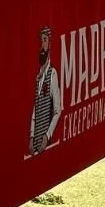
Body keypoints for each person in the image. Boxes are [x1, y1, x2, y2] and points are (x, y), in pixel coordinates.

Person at [28, 24, 62, 155]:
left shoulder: (52, 74)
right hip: (35, 139)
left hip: (44, 139)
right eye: (41, 40)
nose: (42, 45)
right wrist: (31, 136)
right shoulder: (38, 76)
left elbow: (57, 110)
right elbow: (35, 109)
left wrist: (47, 135)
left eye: (45, 40)